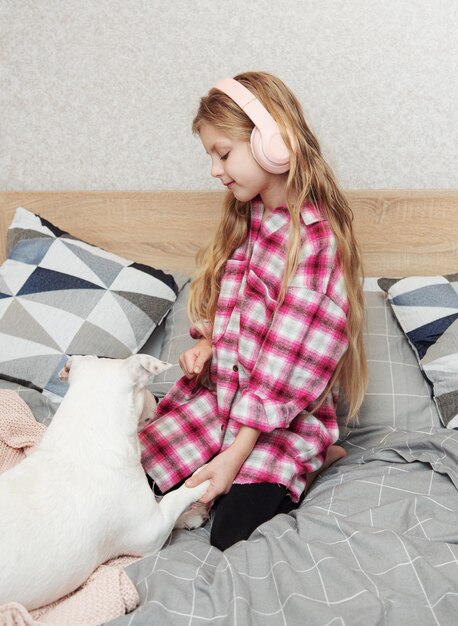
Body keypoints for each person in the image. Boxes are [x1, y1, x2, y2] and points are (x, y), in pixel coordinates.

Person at [139, 71, 368, 551]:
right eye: (211, 158)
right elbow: (238, 314)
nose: (215, 170)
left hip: (278, 418)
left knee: (230, 531)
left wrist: (233, 458)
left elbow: (287, 365)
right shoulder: (249, 216)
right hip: (220, 402)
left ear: (274, 144)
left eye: (223, 154)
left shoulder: (314, 238)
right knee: (138, 480)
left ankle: (317, 455)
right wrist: (208, 344)